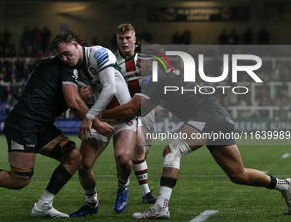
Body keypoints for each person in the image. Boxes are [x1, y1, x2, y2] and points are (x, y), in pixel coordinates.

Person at [100, 43, 291, 219]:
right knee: (238, 175)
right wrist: (106, 118)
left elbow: (131, 109)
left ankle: (160, 207)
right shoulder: (165, 75)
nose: (137, 62)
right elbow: (139, 111)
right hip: (219, 117)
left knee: (172, 151)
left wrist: (95, 115)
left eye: (140, 58)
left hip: (207, 116)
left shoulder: (155, 77)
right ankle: (286, 185)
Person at [0, 52, 113, 218]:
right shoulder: (63, 68)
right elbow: (72, 101)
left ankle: (44, 206)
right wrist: (94, 119)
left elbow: (62, 98)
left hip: (41, 125)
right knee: (19, 179)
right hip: (24, 123)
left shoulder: (57, 67)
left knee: (73, 157)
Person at [48, 32, 137, 216]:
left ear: (75, 44)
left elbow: (110, 89)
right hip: (99, 119)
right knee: (83, 165)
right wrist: (81, 99)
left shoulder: (99, 53)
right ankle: (91, 203)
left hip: (122, 116)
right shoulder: (67, 69)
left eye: (66, 53)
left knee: (122, 158)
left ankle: (123, 187)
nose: (65, 59)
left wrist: (88, 118)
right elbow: (71, 100)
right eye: (60, 56)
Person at [114, 23, 156, 203]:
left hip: (146, 110)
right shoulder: (112, 62)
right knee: (128, 152)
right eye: (121, 38)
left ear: (134, 39)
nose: (124, 42)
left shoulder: (145, 58)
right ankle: (142, 192)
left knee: (142, 152)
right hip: (125, 111)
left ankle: (129, 184)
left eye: (127, 38)